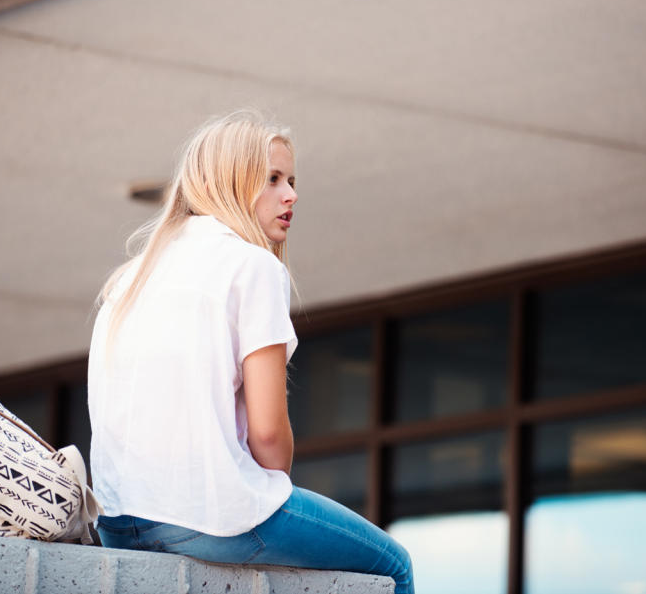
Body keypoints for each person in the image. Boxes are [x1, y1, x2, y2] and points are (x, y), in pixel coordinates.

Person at [87, 110, 413, 594]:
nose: (292, 195)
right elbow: (267, 437)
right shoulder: (252, 266)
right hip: (211, 519)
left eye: (292, 180)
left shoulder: (128, 280)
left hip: (119, 523)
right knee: (393, 565)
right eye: (274, 179)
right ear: (231, 183)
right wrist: (270, 484)